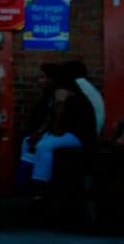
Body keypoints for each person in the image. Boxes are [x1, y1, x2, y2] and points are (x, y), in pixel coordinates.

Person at [21, 61, 96, 199]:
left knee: (45, 145)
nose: (40, 80)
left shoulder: (69, 95)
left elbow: (57, 130)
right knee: (28, 142)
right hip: (64, 132)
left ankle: (40, 187)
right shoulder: (51, 93)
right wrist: (38, 134)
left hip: (79, 136)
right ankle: (25, 182)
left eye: (43, 77)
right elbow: (49, 122)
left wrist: (60, 104)